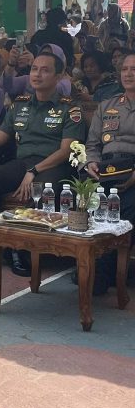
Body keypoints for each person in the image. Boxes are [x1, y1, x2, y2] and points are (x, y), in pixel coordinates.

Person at [0, 53, 85, 275]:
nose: (37, 74)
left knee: (39, 189)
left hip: (54, 166)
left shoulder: (70, 109)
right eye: (34, 69)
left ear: (58, 76)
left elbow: (66, 151)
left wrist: (34, 171)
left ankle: (23, 253)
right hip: (23, 162)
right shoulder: (20, 106)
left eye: (45, 70)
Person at [84, 53, 135, 294]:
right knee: (90, 201)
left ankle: (111, 271)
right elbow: (92, 144)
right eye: (125, 69)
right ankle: (96, 267)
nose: (129, 73)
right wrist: (92, 162)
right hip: (105, 169)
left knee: (128, 206)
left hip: (133, 168)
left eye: (134, 68)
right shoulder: (107, 105)